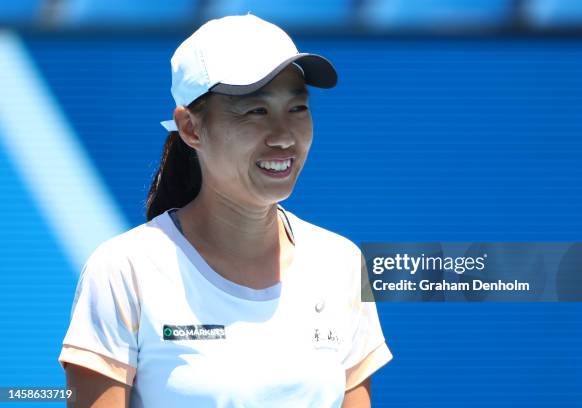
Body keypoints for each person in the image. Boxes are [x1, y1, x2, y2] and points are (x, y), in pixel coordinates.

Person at [58, 14, 392, 407]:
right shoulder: (122, 270)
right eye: (255, 111)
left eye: (298, 108)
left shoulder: (341, 264)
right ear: (191, 128)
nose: (284, 136)